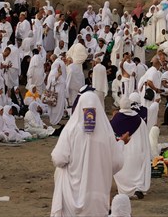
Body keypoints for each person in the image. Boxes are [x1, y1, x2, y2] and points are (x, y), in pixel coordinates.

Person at [51, 89, 129, 217]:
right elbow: (117, 163)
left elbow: (59, 159)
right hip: (97, 199)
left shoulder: (71, 130)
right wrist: (120, 143)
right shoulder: (107, 133)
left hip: (71, 198)